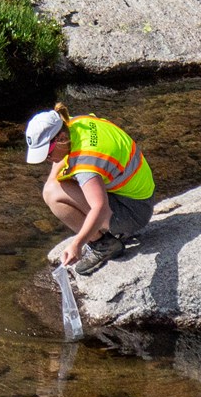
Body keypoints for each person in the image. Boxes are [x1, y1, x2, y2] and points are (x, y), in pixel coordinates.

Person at [25, 103, 154, 275]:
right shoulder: (77, 123)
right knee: (52, 186)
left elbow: (100, 208)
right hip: (139, 196)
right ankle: (102, 233)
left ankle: (103, 245)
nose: (47, 159)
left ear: (62, 138)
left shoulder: (86, 165)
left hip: (132, 213)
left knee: (53, 196)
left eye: (47, 153)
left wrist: (77, 244)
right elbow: (61, 162)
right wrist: (52, 181)